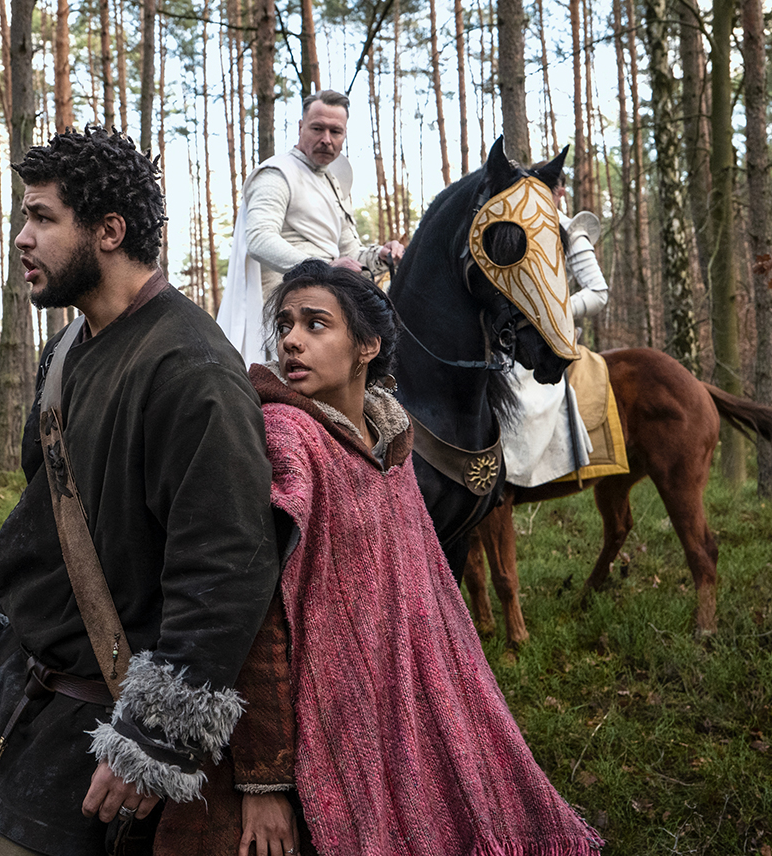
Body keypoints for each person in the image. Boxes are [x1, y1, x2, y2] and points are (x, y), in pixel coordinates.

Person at [0, 128, 282, 856]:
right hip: (12, 686)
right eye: (24, 216)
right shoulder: (66, 350)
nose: (20, 237)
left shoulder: (193, 372)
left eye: (42, 218)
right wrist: (0, 609)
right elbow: (42, 506)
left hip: (103, 715)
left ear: (109, 231)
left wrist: (151, 737)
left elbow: (227, 567)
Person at [155, 260, 603, 856]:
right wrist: (264, 779)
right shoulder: (286, 436)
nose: (291, 339)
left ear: (367, 345)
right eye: (285, 324)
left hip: (397, 701)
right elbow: (253, 611)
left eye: (316, 324)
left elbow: (422, 585)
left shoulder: (389, 440)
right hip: (324, 720)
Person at [217, 90, 405, 366]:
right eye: (318, 128)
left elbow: (349, 251)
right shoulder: (276, 174)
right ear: (301, 127)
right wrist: (325, 266)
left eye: (336, 131)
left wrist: (380, 256)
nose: (326, 139)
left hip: (336, 296)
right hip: (291, 306)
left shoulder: (335, 183)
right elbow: (258, 238)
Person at [501, 168, 610, 487]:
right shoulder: (514, 231)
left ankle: (515, 475)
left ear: (560, 193)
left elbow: (598, 291)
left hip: (547, 343)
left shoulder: (572, 232)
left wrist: (552, 311)